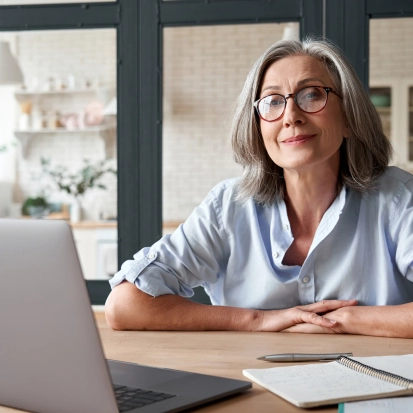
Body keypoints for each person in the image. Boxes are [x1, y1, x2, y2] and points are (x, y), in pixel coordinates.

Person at [105, 38, 413, 338]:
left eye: (312, 95)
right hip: (250, 384)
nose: (291, 116)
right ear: (258, 128)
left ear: (348, 118)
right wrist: (257, 320)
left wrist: (345, 319)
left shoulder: (399, 199)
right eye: (273, 101)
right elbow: (125, 304)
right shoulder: (227, 206)